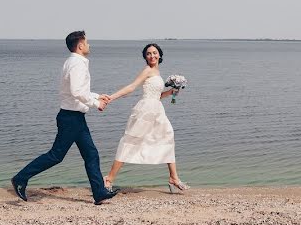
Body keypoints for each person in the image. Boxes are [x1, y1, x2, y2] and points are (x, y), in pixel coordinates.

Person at [11, 31, 119, 205]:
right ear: (80, 45)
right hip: (71, 118)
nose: (89, 45)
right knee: (56, 155)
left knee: (91, 154)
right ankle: (20, 178)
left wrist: (97, 96)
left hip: (75, 117)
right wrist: (95, 103)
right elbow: (77, 92)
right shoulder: (77, 64)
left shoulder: (73, 62)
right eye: (87, 42)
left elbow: (76, 90)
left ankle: (99, 193)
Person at [102, 43, 189, 193]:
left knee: (168, 137)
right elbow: (131, 87)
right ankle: (109, 178)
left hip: (157, 110)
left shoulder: (157, 72)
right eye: (148, 54)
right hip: (145, 111)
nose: (152, 56)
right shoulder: (147, 71)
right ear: (145, 57)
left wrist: (170, 92)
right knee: (130, 142)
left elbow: (156, 96)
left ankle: (173, 178)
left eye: (155, 53)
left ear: (160, 55)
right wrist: (111, 98)